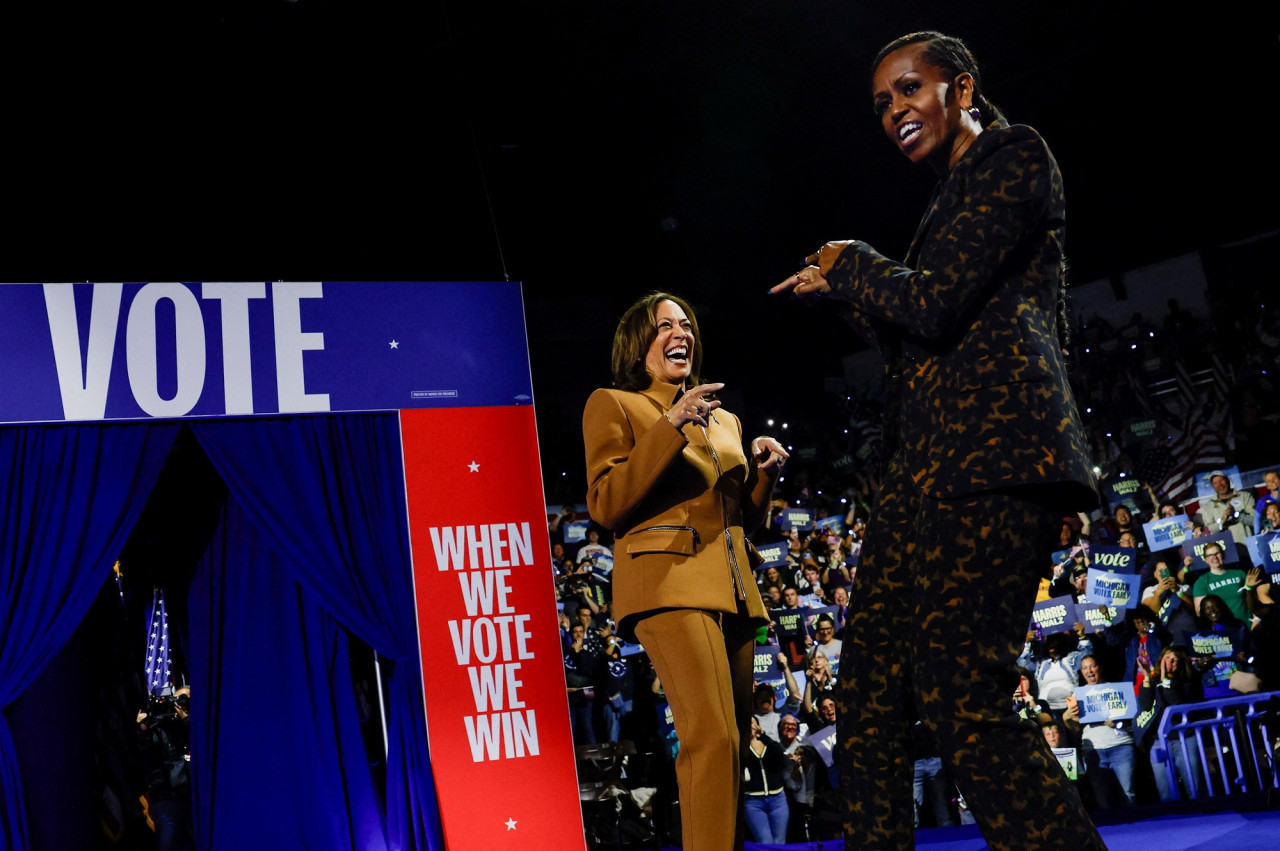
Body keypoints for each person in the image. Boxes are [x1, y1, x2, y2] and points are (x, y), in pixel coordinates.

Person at [771, 30, 1104, 850]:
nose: (894, 112)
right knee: (869, 700)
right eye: (882, 103)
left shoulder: (1014, 157)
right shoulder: (944, 201)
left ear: (960, 89)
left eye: (908, 90)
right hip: (915, 476)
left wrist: (851, 262)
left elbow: (937, 303)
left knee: (963, 690)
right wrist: (849, 297)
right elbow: (925, 331)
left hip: (992, 462)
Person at [582, 291, 788, 850]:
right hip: (669, 585)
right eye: (665, 325)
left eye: (686, 324)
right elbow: (605, 502)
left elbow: (746, 518)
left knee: (733, 745)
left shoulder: (726, 420)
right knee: (713, 738)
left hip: (735, 592)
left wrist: (763, 475)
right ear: (638, 344)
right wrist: (670, 424)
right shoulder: (616, 404)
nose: (682, 333)